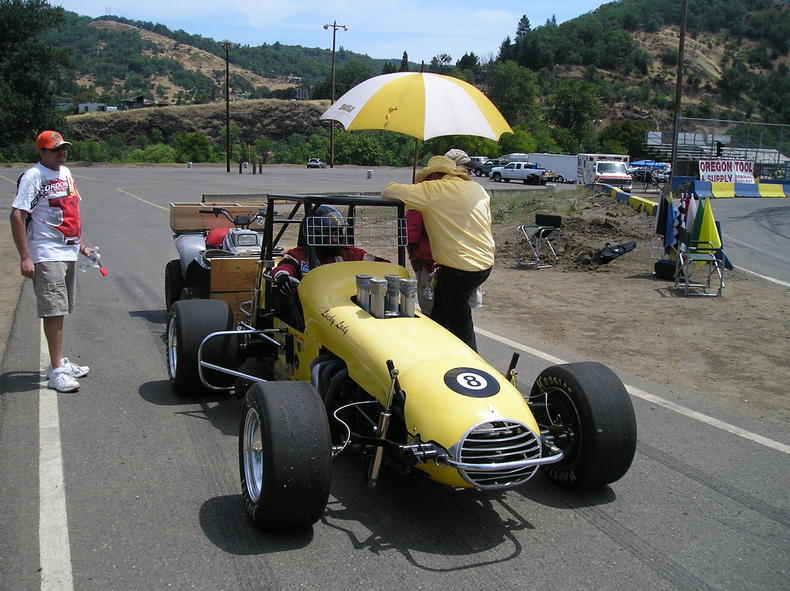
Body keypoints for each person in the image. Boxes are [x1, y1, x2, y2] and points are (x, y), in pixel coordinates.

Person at [382, 155, 495, 351]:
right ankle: (435, 349)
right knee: (440, 315)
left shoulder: (433, 189)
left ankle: (470, 363)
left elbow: (388, 190)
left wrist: (416, 189)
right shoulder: (477, 188)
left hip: (458, 268)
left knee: (461, 326)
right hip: (484, 264)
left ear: (434, 175)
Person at [11, 130, 93, 392]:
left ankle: (59, 361)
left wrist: (80, 243)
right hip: (47, 253)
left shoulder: (66, 173)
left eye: (63, 149)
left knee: (62, 309)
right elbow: (17, 215)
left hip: (66, 251)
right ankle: (56, 369)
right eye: (55, 149)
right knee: (54, 310)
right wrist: (26, 256)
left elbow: (70, 210)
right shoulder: (34, 176)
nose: (62, 153)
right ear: (41, 152)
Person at [405, 149, 478, 315]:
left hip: (458, 268)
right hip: (432, 268)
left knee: (455, 318)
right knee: (434, 318)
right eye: (463, 169)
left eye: (467, 170)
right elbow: (410, 235)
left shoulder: (463, 196)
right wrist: (415, 263)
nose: (467, 174)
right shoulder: (425, 196)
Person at [272, 205, 388, 295]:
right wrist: (283, 277)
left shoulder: (349, 253)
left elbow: (383, 265)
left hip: (343, 305)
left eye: (336, 234)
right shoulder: (299, 255)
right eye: (328, 234)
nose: (334, 239)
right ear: (313, 235)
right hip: (310, 311)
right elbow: (283, 268)